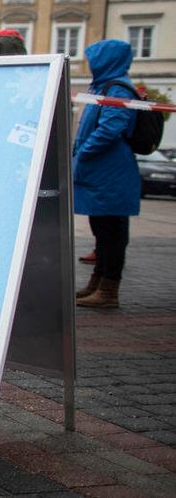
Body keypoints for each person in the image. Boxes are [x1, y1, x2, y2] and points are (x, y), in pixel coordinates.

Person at [73, 40, 140, 309]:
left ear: (105, 59)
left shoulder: (118, 88)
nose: (88, 63)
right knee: (101, 232)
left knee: (112, 232)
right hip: (100, 172)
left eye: (92, 58)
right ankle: (97, 283)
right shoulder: (103, 87)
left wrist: (83, 152)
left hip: (110, 172)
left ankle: (108, 290)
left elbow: (110, 129)